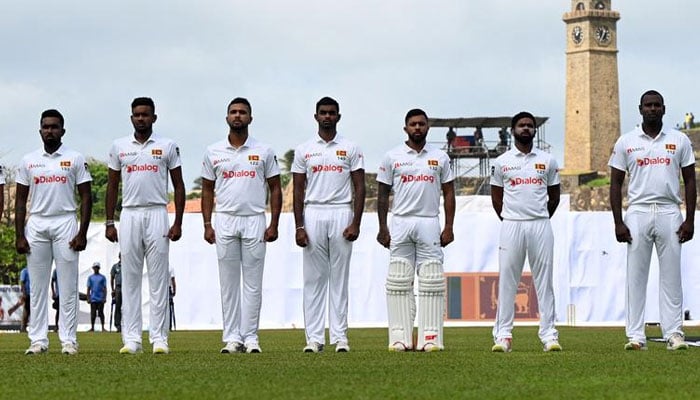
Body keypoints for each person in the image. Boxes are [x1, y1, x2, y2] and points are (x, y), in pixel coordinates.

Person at [609, 90, 696, 351]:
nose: (653, 109)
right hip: (638, 210)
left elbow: (690, 181)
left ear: (664, 109)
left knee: (671, 276)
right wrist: (618, 221)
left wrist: (690, 219)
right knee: (635, 277)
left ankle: (674, 334)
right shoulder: (626, 141)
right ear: (640, 109)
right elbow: (615, 183)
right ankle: (636, 336)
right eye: (648, 105)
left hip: (670, 211)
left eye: (657, 105)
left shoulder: (679, 139)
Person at [201, 97, 282, 354]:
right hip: (224, 219)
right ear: (227, 118)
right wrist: (207, 224)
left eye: (242, 112)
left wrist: (274, 223)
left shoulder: (265, 151)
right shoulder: (213, 151)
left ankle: (251, 337)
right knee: (228, 283)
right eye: (233, 112)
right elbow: (206, 190)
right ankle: (232, 337)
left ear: (250, 118)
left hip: (255, 219)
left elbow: (276, 188)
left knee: (253, 283)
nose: (238, 116)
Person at [105, 97, 185, 355]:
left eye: (146, 114)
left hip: (157, 212)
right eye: (137, 115)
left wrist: (178, 221)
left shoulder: (167, 146)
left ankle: (159, 339)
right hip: (129, 214)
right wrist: (109, 221)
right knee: (129, 278)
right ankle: (132, 339)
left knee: (159, 278)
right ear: (131, 118)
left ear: (154, 117)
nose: (141, 118)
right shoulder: (119, 147)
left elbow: (179, 186)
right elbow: (112, 186)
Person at [376, 108, 455, 352]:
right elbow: (382, 194)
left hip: (429, 221)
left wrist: (449, 226)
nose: (417, 128)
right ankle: (400, 337)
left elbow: (449, 192)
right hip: (400, 221)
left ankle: (430, 337)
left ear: (427, 127)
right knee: (399, 278)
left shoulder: (440, 157)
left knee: (431, 277)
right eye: (413, 124)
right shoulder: (392, 156)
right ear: (406, 128)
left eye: (421, 124)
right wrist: (382, 227)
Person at [15, 109, 93, 355]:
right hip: (37, 224)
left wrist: (82, 232)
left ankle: (68, 340)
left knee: (68, 286)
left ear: (63, 130)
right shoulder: (28, 161)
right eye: (46, 127)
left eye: (55, 127)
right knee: (37, 288)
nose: (50, 131)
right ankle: (37, 340)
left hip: (65, 222)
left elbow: (87, 196)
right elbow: (19, 200)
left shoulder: (75, 158)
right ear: (40, 130)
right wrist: (19, 234)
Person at [292, 96, 366, 353]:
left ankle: (340, 337)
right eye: (323, 113)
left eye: (331, 113)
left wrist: (356, 222)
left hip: (341, 212)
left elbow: (359, 186)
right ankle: (313, 338)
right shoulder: (304, 150)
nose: (327, 116)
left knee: (339, 279)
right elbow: (298, 190)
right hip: (313, 212)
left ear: (338, 116)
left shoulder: (351, 147)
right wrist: (299, 226)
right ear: (316, 116)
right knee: (313, 279)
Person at [490, 111, 561, 353]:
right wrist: (513, 217)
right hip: (511, 224)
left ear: (534, 130)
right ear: (513, 131)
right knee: (508, 281)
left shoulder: (548, 160)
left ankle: (549, 335)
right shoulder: (502, 162)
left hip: (540, 224)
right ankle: (503, 336)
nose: (526, 129)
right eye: (522, 125)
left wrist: (538, 216)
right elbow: (497, 199)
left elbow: (554, 197)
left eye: (530, 126)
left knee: (544, 282)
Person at [86, 262, 107, 332]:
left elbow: (104, 288)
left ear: (99, 268)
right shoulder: (90, 277)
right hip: (93, 298)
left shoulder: (102, 277)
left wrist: (104, 297)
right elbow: (88, 288)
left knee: (101, 313)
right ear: (93, 268)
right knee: (93, 314)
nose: (96, 269)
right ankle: (92, 327)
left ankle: (103, 327)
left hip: (100, 298)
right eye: (95, 267)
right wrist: (88, 298)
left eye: (97, 267)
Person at [110, 253, 122, 332]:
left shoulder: (129, 265)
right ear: (119, 257)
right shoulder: (115, 266)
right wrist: (113, 289)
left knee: (127, 307)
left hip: (127, 288)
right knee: (118, 306)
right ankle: (118, 325)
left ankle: (127, 324)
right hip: (118, 287)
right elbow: (112, 278)